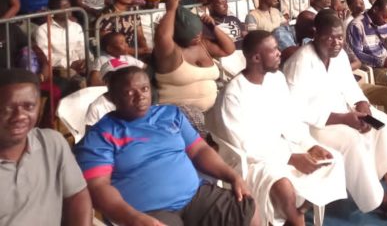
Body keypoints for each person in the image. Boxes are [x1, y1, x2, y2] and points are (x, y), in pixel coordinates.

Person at [283, 9, 387, 219]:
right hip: (315, 126)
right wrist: (344, 119)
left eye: (340, 37)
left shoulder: (338, 57)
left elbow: (350, 87)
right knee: (351, 140)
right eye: (329, 38)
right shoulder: (300, 62)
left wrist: (362, 104)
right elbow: (296, 109)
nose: (336, 43)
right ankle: (381, 202)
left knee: (382, 123)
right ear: (316, 34)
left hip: (345, 114)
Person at [76, 66, 257, 226]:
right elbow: (98, 187)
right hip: (147, 213)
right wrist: (132, 218)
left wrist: (233, 177)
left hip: (195, 196)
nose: (140, 96)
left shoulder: (169, 114)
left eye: (144, 89)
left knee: (248, 213)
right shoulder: (101, 135)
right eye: (129, 92)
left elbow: (199, 150)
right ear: (113, 98)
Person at [209, 31, 347, 225]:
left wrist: (310, 145)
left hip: (281, 147)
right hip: (251, 161)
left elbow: (290, 120)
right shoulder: (233, 94)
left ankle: (299, 211)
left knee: (332, 160)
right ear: (256, 58)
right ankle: (296, 218)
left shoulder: (277, 79)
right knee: (283, 184)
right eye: (273, 50)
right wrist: (291, 158)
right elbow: (245, 145)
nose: (279, 52)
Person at [0, 68, 93, 225]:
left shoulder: (52, 143)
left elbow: (77, 196)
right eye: (7, 108)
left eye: (29, 106)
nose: (20, 116)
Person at [153, 0, 234, 131]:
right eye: (192, 34)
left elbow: (229, 49)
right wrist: (171, 10)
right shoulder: (169, 52)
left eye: (199, 32)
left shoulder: (202, 44)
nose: (197, 36)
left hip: (211, 112)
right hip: (179, 117)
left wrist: (213, 28)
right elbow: (162, 36)